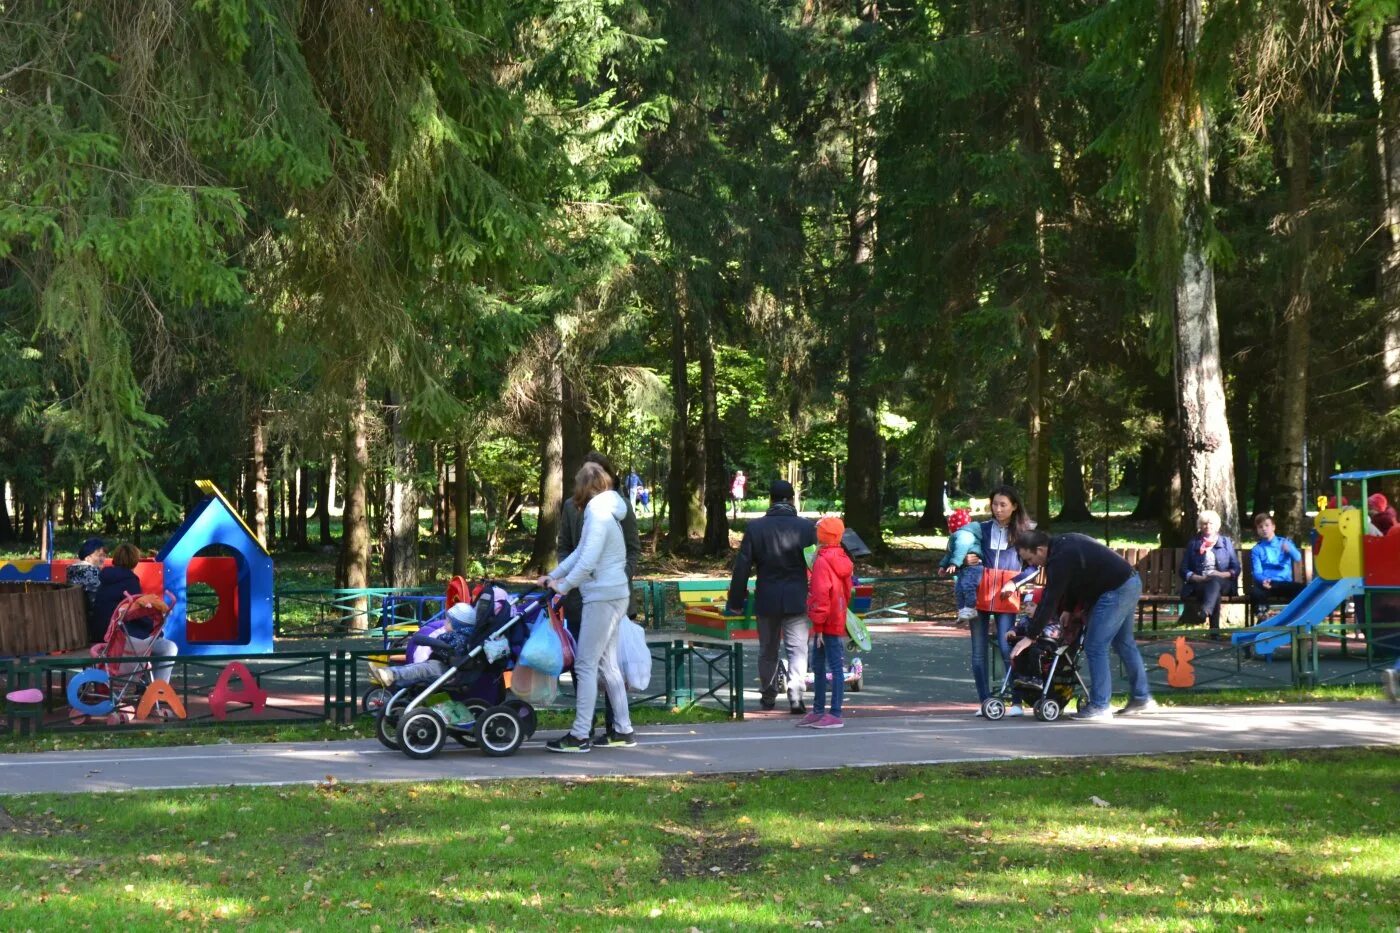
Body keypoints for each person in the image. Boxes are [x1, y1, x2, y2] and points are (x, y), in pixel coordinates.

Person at [540, 462, 636, 753]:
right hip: (616, 594)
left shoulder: (597, 513)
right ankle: (622, 730)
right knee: (607, 664)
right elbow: (581, 551)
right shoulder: (609, 511)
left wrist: (563, 586)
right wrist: (554, 575)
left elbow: (587, 560)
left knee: (585, 664)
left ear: (584, 487)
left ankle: (580, 735)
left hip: (602, 596)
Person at [1015, 530, 1156, 720]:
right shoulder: (1064, 543)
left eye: (1030, 559)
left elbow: (1049, 599)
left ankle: (1100, 706)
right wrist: (1068, 609)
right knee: (1123, 642)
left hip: (1115, 590)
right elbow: (1076, 578)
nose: (1031, 564)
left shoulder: (1059, 559)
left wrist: (1030, 636)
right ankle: (1141, 697)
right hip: (1130, 582)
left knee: (1095, 645)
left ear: (1040, 550)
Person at [726, 479, 817, 713]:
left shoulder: (756, 528)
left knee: (767, 650)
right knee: (797, 649)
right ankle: (796, 696)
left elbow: (742, 567)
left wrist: (736, 601)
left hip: (767, 599)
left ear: (770, 499)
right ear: (792, 498)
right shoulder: (806, 528)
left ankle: (768, 695)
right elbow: (816, 565)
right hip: (797, 598)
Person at [963, 485, 1035, 715]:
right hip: (980, 594)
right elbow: (963, 550)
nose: (998, 509)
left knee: (1007, 648)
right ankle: (985, 702)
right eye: (994, 504)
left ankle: (1016, 702)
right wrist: (968, 558)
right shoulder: (980, 529)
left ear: (1014, 506)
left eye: (1003, 504)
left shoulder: (1025, 532)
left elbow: (1034, 565)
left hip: (1006, 596)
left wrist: (1015, 582)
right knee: (978, 653)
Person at [92, 543, 178, 683]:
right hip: (120, 639)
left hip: (101, 635)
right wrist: (155, 629)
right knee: (168, 648)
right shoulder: (130, 581)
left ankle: (149, 685)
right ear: (134, 560)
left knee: (155, 643)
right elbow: (136, 613)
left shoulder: (105, 579)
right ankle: (158, 689)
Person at [799, 516, 853, 730]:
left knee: (825, 666)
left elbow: (820, 594)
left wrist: (818, 625)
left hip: (826, 621)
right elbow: (846, 591)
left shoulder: (821, 561)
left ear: (821, 536)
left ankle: (833, 712)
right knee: (827, 665)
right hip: (837, 615)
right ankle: (821, 710)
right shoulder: (843, 558)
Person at [368, 602, 476, 686]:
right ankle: (389, 676)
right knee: (416, 668)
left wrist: (435, 644)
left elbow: (453, 650)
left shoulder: (459, 638)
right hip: (443, 665)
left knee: (419, 670)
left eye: (447, 621)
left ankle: (390, 675)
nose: (444, 623)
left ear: (455, 624)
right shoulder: (461, 635)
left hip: (447, 670)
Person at [1180, 509, 1241, 633]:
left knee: (1215, 581)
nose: (1208, 526)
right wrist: (1198, 578)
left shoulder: (1225, 542)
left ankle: (1205, 611)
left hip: (1224, 582)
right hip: (1200, 583)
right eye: (1205, 523)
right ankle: (1214, 631)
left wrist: (1220, 574)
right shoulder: (1193, 544)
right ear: (1200, 526)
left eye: (1211, 523)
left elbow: (1236, 568)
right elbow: (1183, 569)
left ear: (1217, 526)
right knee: (1214, 591)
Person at [1249, 512, 1305, 620]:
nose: (1264, 529)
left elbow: (1298, 558)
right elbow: (1257, 572)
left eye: (1267, 525)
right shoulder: (1257, 549)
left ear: (1273, 527)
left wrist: (1290, 549)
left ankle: (1296, 619)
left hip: (1283, 583)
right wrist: (1263, 580)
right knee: (1256, 592)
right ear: (1257, 530)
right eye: (1260, 527)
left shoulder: (1284, 542)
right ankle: (1262, 618)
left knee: (1302, 589)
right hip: (1267, 583)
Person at [939, 508, 982, 623]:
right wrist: (943, 565)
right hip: (963, 568)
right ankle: (962, 611)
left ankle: (970, 608)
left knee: (968, 586)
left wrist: (954, 563)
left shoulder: (963, 535)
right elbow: (950, 553)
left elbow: (961, 548)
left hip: (973, 568)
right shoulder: (956, 536)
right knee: (959, 589)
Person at [67, 536, 107, 643]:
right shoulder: (92, 572)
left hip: (72, 621)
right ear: (87, 557)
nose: (103, 559)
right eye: (99, 555)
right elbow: (96, 603)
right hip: (90, 625)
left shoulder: (72, 571)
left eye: (104, 555)